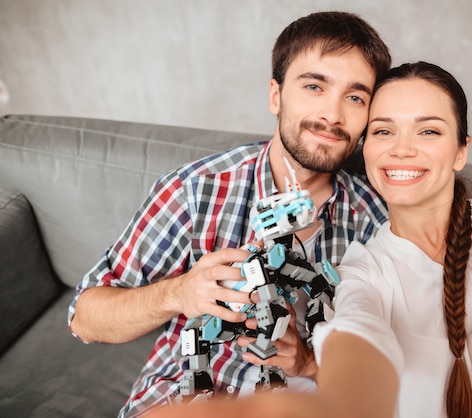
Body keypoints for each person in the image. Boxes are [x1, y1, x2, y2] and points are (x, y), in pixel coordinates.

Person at [145, 61, 472, 418]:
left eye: (429, 130)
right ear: (365, 148)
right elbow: (359, 347)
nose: (402, 148)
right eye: (383, 130)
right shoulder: (361, 269)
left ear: (461, 151)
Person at [67, 11, 391, 417]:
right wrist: (180, 292)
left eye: (356, 97)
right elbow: (85, 318)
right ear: (276, 95)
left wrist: (307, 361)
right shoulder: (196, 189)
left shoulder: (377, 221)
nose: (333, 114)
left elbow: (392, 369)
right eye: (313, 86)